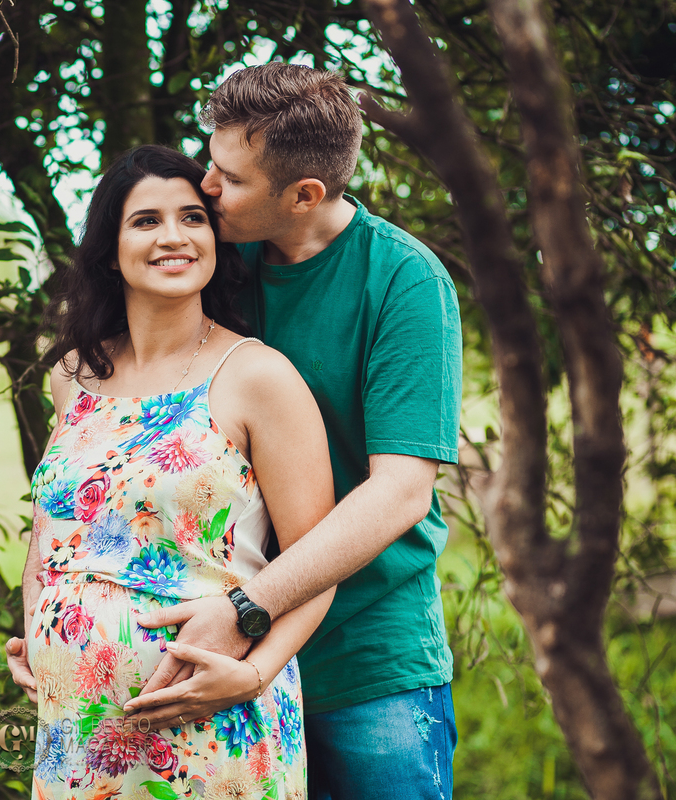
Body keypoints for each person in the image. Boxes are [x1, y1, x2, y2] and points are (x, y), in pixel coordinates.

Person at [126, 64, 464, 799]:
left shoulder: (404, 282)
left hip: (366, 664)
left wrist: (248, 610)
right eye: (209, 165)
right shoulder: (214, 259)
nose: (206, 190)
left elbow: (401, 493)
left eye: (229, 179)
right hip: (210, 657)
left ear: (304, 194)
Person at [7, 144, 335, 798]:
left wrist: (256, 672)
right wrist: (38, 631)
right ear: (109, 248)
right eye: (147, 221)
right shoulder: (73, 375)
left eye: (192, 218)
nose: (174, 237)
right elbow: (52, 531)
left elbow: (316, 565)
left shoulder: (256, 376)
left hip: (211, 720)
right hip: (78, 728)